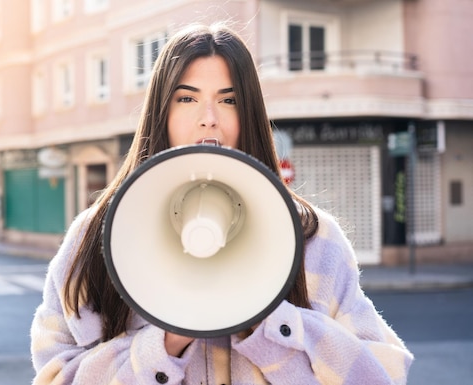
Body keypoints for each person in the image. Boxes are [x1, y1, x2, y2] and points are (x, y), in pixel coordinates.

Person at [30, 22, 413, 384]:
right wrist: (161, 345)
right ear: (160, 111)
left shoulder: (315, 240)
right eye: (186, 98)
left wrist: (274, 325)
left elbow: (381, 374)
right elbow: (54, 375)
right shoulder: (94, 237)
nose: (208, 119)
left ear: (248, 112)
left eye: (228, 100)